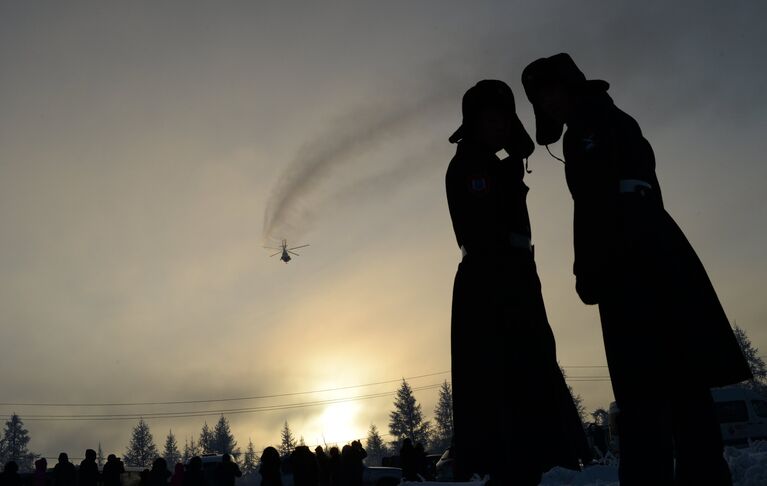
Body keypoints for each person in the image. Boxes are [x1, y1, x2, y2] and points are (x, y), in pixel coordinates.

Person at [521, 52, 752, 486]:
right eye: (539, 98)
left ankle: (678, 476)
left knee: (657, 388)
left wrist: (594, 264)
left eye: (551, 91)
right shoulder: (588, 128)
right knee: (670, 386)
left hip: (638, 265)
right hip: (636, 261)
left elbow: (606, 200)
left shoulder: (598, 124)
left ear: (569, 85)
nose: (548, 104)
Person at [446, 79, 590, 484]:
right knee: (506, 392)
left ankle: (528, 463)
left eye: (505, 118)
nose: (500, 126)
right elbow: (486, 228)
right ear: (474, 122)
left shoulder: (489, 163)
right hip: (492, 289)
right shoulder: (471, 165)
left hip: (513, 282)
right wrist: (512, 164)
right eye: (491, 118)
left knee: (527, 386)